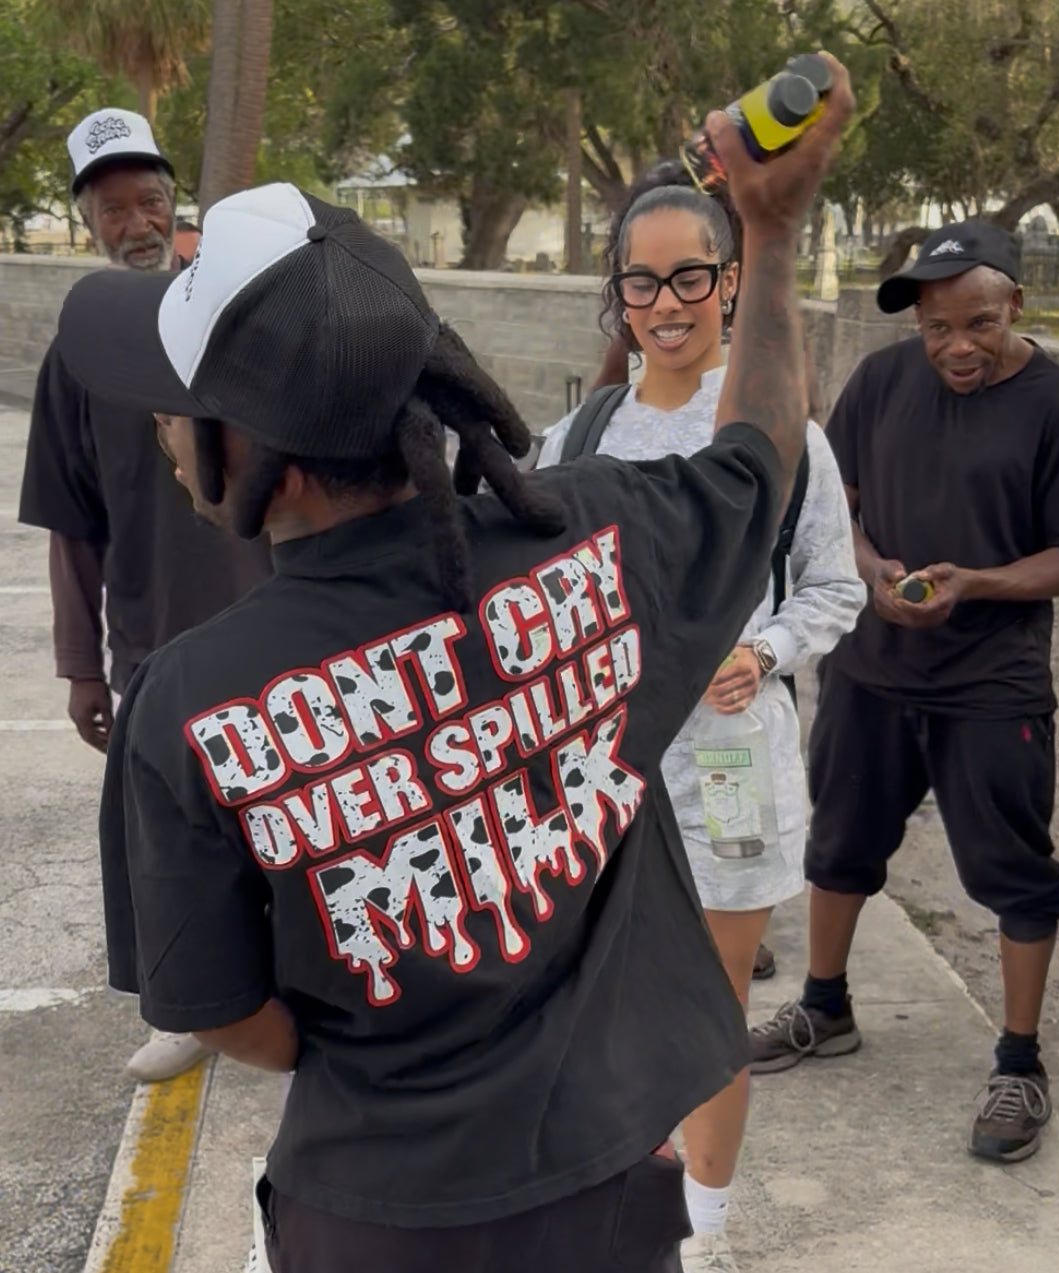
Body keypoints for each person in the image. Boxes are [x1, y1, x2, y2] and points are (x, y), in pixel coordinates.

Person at [54, 60, 853, 1273]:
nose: (162, 429)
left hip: (376, 1215)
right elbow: (757, 451)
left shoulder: (191, 697)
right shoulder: (600, 539)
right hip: (609, 1193)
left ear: (266, 447)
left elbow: (220, 1010)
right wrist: (775, 233)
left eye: (178, 402)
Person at [537, 161, 864, 1271]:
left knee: (711, 999)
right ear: (614, 294)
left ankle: (706, 1227)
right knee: (588, 993)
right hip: (600, 769)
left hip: (726, 761)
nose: (665, 304)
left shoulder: (782, 435)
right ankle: (605, 1198)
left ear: (730, 283)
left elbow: (834, 584)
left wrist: (763, 649)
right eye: (641, 282)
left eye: (689, 278)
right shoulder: (577, 439)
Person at [749, 220, 1059, 1165]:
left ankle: (1020, 1062)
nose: (955, 347)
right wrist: (868, 570)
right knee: (840, 842)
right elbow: (836, 506)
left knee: (1012, 871)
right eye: (936, 328)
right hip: (870, 667)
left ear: (1015, 305)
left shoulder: (1057, 407)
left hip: (992, 682)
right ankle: (824, 1007)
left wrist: (973, 584)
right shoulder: (884, 382)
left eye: (975, 323)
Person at [18, 108, 272, 1083]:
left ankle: (296, 988)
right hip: (152, 638)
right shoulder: (80, 352)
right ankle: (189, 1015)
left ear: (176, 208)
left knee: (284, 819)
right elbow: (71, 516)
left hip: (267, 624)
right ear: (86, 218)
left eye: (150, 199)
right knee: (168, 843)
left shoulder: (236, 323)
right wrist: (81, 664)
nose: (136, 219)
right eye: (113, 205)